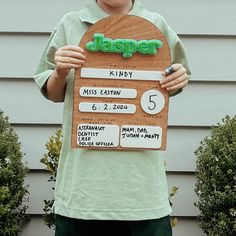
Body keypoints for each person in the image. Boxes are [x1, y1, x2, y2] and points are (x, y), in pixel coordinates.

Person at [34, 0, 191, 235]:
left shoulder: (156, 23)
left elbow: (176, 74)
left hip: (143, 197)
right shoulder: (71, 23)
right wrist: (60, 71)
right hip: (82, 197)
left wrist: (178, 77)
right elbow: (54, 93)